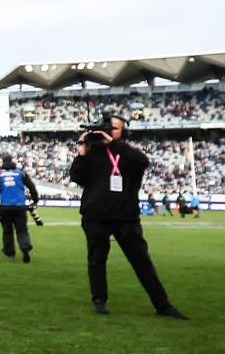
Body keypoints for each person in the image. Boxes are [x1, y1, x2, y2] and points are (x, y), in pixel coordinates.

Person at [69, 116, 187, 318]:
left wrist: (113, 144)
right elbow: (77, 177)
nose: (108, 131)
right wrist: (82, 150)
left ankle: (162, 305)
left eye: (113, 129)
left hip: (125, 217)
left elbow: (143, 162)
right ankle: (99, 300)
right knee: (96, 260)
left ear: (122, 132)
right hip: (95, 216)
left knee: (141, 261)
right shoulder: (92, 154)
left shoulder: (126, 153)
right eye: (105, 128)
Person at [0, 153, 39, 262]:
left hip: (5, 207)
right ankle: (25, 247)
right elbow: (31, 187)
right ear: (12, 161)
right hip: (20, 207)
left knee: (7, 231)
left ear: (3, 162)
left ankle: (10, 253)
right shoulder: (21, 172)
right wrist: (35, 200)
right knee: (22, 230)